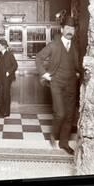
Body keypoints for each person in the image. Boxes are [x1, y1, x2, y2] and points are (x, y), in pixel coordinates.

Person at [35, 16, 82, 155]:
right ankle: (53, 135)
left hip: (71, 84)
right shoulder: (54, 44)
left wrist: (78, 72)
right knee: (60, 113)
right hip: (56, 83)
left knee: (69, 115)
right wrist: (44, 74)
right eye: (67, 28)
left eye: (72, 29)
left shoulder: (74, 46)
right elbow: (39, 58)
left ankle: (64, 143)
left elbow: (76, 64)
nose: (70, 31)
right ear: (62, 30)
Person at [0, 39, 18, 117]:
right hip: (1, 77)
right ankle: (1, 111)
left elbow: (15, 65)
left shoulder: (9, 54)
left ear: (3, 46)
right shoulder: (0, 54)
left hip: (7, 78)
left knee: (6, 95)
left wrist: (8, 72)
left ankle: (6, 112)